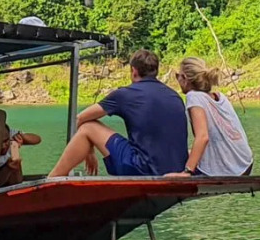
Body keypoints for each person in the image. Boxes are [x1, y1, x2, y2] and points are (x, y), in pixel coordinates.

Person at [48, 49, 188, 177]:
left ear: (133, 71)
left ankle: (54, 177)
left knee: (88, 126)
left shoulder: (126, 94)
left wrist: (89, 152)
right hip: (177, 170)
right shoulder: (175, 96)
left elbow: (80, 118)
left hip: (142, 168)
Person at [169, 57, 253, 177]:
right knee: (186, 154)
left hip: (231, 170)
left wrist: (187, 172)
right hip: (246, 163)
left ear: (185, 78)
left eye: (178, 76)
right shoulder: (220, 97)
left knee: (171, 163)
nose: (177, 79)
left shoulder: (193, 97)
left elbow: (203, 137)